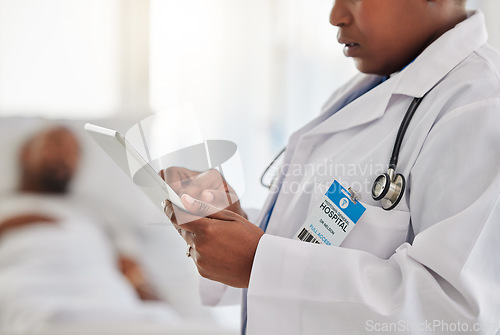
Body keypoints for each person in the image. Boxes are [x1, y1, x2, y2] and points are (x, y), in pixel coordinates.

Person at [160, 0, 500, 334]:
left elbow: (459, 317)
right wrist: (237, 228)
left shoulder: (481, 105)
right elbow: (319, 245)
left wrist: (261, 263)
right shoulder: (371, 86)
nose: (335, 16)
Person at [0, 126, 178, 331]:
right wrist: (10, 224)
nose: (65, 156)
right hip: (30, 283)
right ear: (25, 152)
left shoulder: (97, 212)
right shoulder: (6, 205)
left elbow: (130, 267)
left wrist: (156, 305)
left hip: (98, 285)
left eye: (74, 152)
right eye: (56, 145)